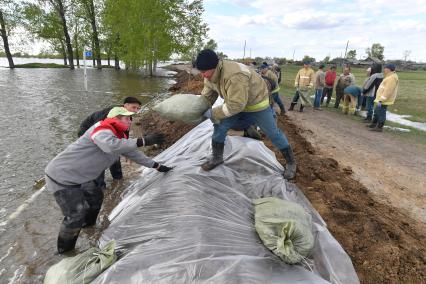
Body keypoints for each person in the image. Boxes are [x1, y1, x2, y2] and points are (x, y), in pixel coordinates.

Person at [45, 107, 171, 253]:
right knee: (76, 214)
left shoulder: (119, 136)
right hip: (62, 176)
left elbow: (134, 154)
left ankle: (88, 226)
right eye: (126, 118)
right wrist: (143, 141)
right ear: (115, 118)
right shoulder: (101, 129)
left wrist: (157, 166)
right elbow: (109, 146)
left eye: (131, 118)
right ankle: (65, 251)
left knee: (96, 197)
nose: (130, 121)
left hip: (81, 176)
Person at [194, 49, 297, 179]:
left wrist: (212, 113)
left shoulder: (234, 75)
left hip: (257, 105)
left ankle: (291, 162)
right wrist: (198, 109)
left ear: (214, 67)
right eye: (201, 72)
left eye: (204, 72)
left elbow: (236, 105)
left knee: (272, 132)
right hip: (237, 103)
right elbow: (207, 96)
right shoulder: (210, 76)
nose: (203, 75)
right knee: (220, 126)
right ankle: (217, 158)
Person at [77, 97, 142, 187]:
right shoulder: (111, 113)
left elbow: (124, 134)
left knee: (115, 154)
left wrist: (127, 151)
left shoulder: (127, 116)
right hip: (88, 130)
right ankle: (99, 185)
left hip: (105, 132)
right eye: (133, 107)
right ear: (125, 105)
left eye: (138, 108)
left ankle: (118, 178)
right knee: (100, 157)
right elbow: (97, 129)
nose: (136, 111)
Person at [368, 63, 399, 132]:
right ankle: (374, 123)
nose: (384, 70)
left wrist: (382, 99)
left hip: (383, 100)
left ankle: (379, 127)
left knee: (381, 112)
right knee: (376, 111)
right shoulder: (389, 76)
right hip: (381, 99)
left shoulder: (392, 78)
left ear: (389, 69)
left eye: (385, 68)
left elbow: (388, 90)